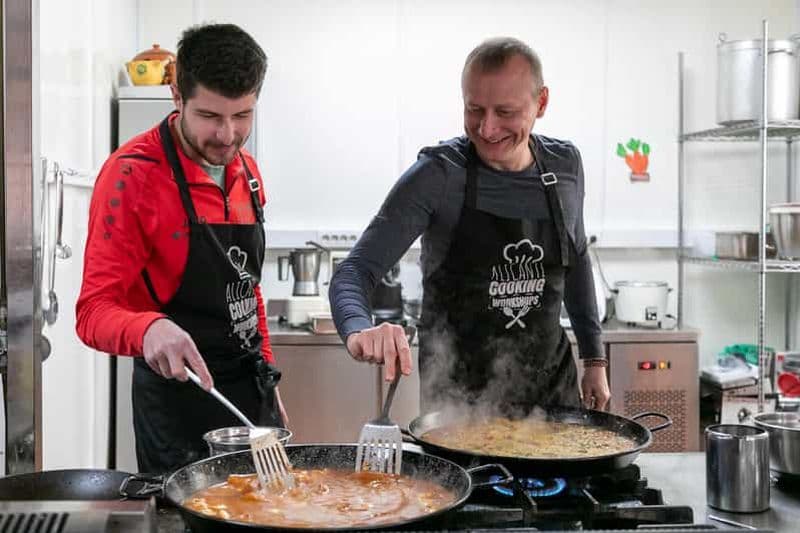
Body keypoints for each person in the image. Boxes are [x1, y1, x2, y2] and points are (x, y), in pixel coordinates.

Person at [330, 37, 610, 415]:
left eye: (505, 112)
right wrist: (360, 330)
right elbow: (354, 272)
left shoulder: (565, 166)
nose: (488, 128)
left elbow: (575, 260)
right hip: (459, 410)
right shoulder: (439, 175)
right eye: (474, 109)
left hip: (553, 401)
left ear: (541, 103)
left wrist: (594, 360)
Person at [76, 23, 287, 473]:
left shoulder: (247, 174)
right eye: (210, 116)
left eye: (243, 115)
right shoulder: (131, 177)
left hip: (250, 398)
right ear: (176, 96)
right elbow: (92, 312)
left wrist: (268, 378)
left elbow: (247, 294)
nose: (228, 135)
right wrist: (150, 329)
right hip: (178, 409)